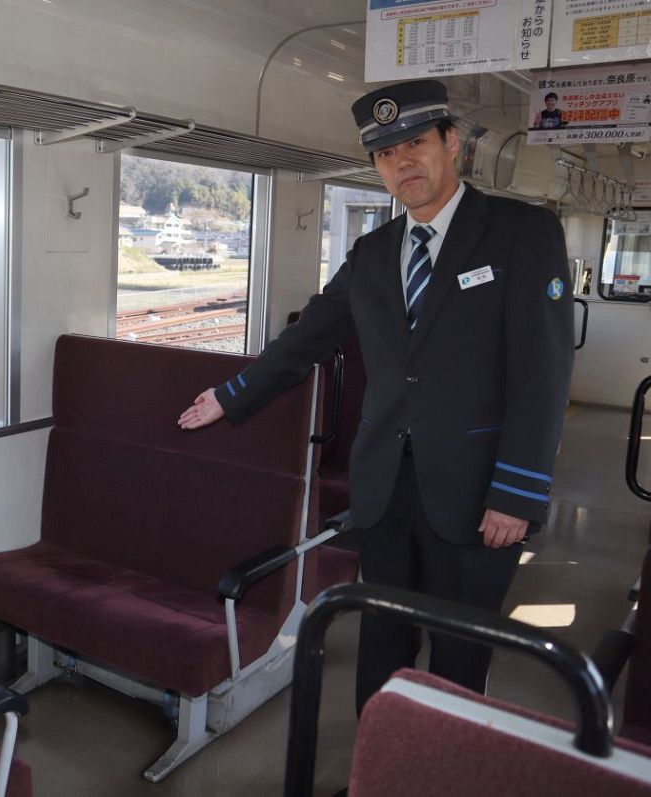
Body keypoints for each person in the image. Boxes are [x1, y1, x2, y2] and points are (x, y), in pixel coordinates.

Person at [178, 79, 574, 712]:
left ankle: (442, 757)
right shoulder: (372, 252)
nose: (402, 163)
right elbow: (309, 334)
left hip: (478, 489)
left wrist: (517, 493)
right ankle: (378, 748)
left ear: (452, 143)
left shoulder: (521, 233)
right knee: (383, 634)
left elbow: (543, 373)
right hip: (384, 485)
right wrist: (232, 393)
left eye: (415, 144)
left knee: (460, 645)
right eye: (386, 154)